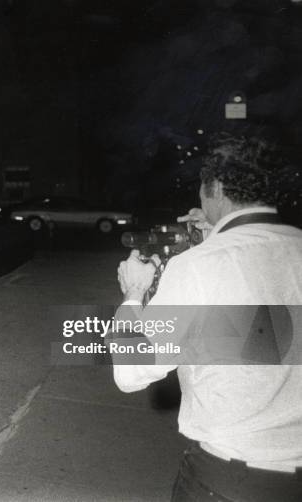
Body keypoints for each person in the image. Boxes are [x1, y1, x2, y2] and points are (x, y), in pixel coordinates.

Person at [113, 133, 302, 501]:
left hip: (229, 481)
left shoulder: (200, 266)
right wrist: (218, 230)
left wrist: (133, 294)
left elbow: (131, 370)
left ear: (214, 187)